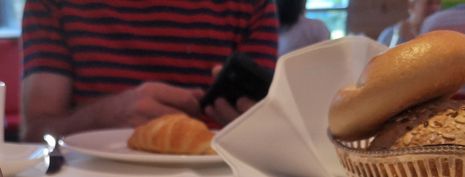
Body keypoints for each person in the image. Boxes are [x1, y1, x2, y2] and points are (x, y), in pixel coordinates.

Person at [19, 0, 278, 143]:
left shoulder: (252, 4)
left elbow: (272, 133)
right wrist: (102, 115)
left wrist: (258, 132)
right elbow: (35, 135)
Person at [377, 0, 442, 47]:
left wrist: (413, 38)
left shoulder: (440, 34)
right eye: (429, 3)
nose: (435, 8)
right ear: (412, 5)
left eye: (438, 3)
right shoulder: (391, 34)